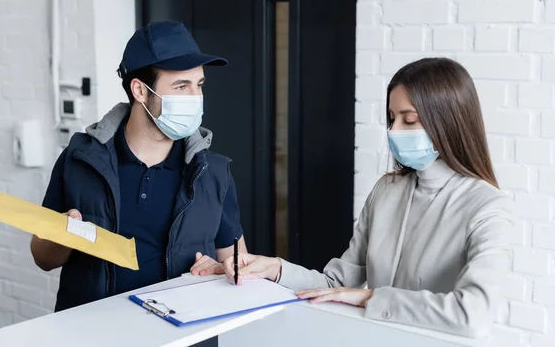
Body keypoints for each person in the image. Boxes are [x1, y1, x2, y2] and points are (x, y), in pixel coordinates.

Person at [223, 58, 515, 338]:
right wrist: (275, 268)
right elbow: (336, 284)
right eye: (391, 118)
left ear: (448, 122)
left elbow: (473, 314)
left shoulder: (487, 206)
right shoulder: (387, 190)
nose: (393, 131)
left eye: (408, 119)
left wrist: (371, 298)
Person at [31, 20, 246, 312]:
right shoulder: (81, 158)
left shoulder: (213, 172)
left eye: (199, 85)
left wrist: (225, 273)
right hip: (93, 335)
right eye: (181, 86)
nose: (196, 98)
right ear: (140, 91)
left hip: (183, 336)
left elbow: (237, 265)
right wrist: (64, 235)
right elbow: (42, 258)